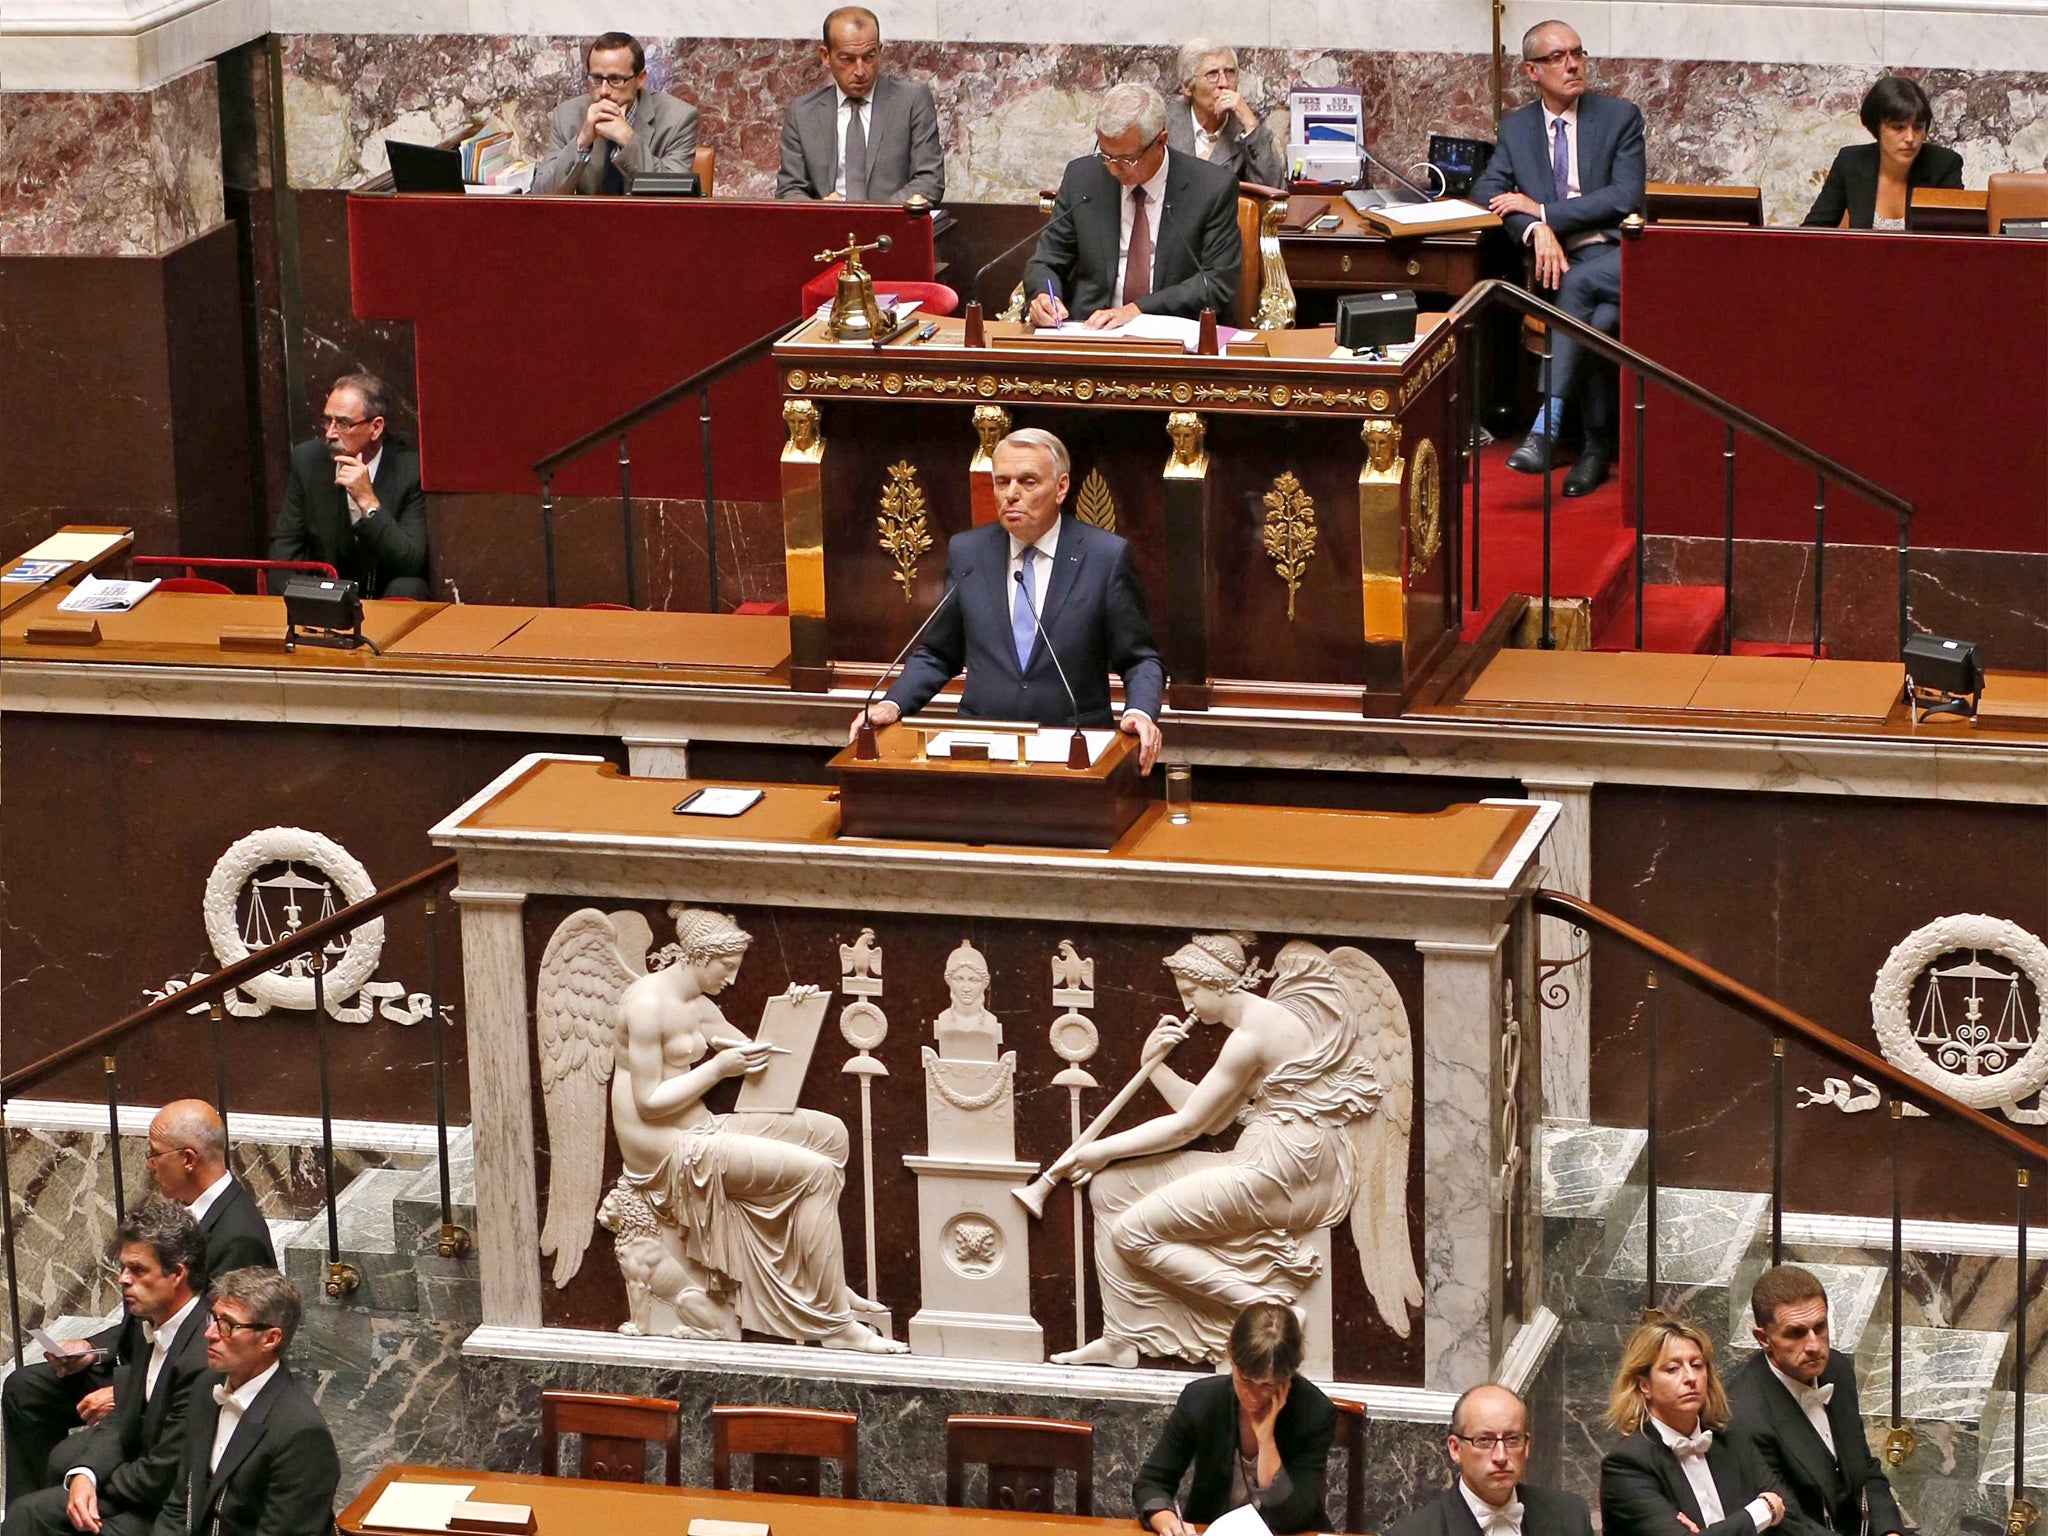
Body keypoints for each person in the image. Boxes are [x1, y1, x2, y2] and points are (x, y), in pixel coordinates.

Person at [1048, 935, 1380, 1368]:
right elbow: (1214, 1117)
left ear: (1219, 983)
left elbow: (1190, 1125)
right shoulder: (1263, 1022)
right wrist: (1156, 1068)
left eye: (1191, 992)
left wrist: (1100, 1150)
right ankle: (1121, 1338)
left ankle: (1268, 1307)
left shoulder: (1251, 1035)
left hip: (1283, 1171)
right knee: (1110, 1188)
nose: (1188, 1006)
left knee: (1133, 1233)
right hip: (1269, 1156)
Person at [608, 908, 904, 1351]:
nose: (732, 979)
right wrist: (717, 1070)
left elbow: (756, 1054)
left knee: (831, 1135)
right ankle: (834, 1324)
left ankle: (816, 1275)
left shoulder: (700, 1006)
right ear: (699, 956)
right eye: (727, 968)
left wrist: (793, 1009)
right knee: (816, 1174)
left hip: (700, 1129)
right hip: (664, 1150)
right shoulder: (647, 1005)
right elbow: (649, 1105)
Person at [3, 1101, 274, 1503]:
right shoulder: (186, 1212)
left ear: (187, 1159)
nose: (148, 1164)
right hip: (142, 1363)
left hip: (177, 1382)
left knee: (66, 1448)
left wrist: (134, 1393)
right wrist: (93, 1350)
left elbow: (221, 1343)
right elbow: (157, 1320)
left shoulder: (239, 1236)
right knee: (25, 1388)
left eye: (153, 1153)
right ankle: (32, 1514)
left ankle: (58, 1512)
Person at [846, 428, 1164, 769]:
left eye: (1028, 482)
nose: (1011, 494)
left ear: (1061, 487)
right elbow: (939, 652)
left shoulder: (1105, 557)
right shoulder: (968, 553)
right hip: (980, 749)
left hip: (1075, 749)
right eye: (1002, 482)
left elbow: (1139, 659)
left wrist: (1140, 712)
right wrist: (893, 704)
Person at [1472, 19, 1645, 498]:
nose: (1572, 65)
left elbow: (1624, 197)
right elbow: (1487, 188)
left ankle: (1547, 429)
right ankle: (1593, 449)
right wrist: (1534, 228)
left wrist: (1546, 209)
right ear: (1531, 70)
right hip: (1567, 269)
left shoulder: (1619, 117)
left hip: (1622, 259)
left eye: (1577, 53)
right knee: (1593, 317)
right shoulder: (1518, 127)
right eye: (1556, 58)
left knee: (1582, 289)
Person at [2, 1201, 210, 1535]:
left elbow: (165, 1474)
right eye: (123, 1267)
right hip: (142, 1478)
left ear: (177, 1274)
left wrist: (94, 1486)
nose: (123, 1280)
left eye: (138, 1270)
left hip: (175, 1508)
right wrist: (86, 1473)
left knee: (34, 1517)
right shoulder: (151, 1327)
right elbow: (124, 1415)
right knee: (28, 1512)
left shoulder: (203, 1354)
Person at [1023, 82, 1242, 328]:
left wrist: (1139, 310)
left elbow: (1216, 280)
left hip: (1173, 335)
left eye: (1127, 159)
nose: (1113, 168)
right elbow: (1048, 259)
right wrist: (1043, 295)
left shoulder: (1211, 187)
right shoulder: (1083, 178)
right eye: (1106, 155)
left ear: (1161, 141)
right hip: (1091, 333)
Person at [153, 1269, 339, 1536]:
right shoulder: (206, 1388)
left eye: (227, 1324)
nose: (209, 1333)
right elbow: (181, 1504)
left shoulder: (301, 1434)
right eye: (213, 1318)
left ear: (270, 1339)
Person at [1131, 1302, 1337, 1535]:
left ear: (1289, 1376)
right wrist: (1165, 1519)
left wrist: (1266, 1441)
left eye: (1267, 1385)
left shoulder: (1314, 1412)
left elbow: (1291, 1519)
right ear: (1230, 1356)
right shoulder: (1201, 1400)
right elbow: (1151, 1483)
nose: (1252, 1396)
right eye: (1245, 1379)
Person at [1728, 1266, 1903, 1536]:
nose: (1814, 1345)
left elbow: (1864, 1467)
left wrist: (1890, 1531)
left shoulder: (1837, 1369)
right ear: (1763, 1339)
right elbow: (1787, 1521)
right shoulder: (1744, 1413)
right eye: (1796, 1333)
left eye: (1819, 1327)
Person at [1601, 1316, 1791, 1536]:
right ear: (1645, 1385)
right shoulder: (1626, 1465)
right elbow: (1772, 1505)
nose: (1691, 1377)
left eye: (1697, 1365)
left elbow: (1784, 1505)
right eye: (1672, 1369)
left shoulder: (1733, 1440)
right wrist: (1762, 1510)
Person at [269, 373, 429, 599]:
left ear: (375, 427)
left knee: (409, 587)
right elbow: (283, 554)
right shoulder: (308, 461)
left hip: (386, 598)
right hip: (327, 598)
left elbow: (412, 562)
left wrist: (368, 503)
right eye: (328, 420)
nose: (329, 433)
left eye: (343, 423)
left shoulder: (409, 470)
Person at [776, 7, 944, 204]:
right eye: (847, 59)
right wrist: (820, 210)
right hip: (828, 228)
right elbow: (790, 188)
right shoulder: (803, 113)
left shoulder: (911, 101)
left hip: (891, 227)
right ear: (825, 56)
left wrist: (870, 216)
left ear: (880, 51)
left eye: (869, 57)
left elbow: (929, 181)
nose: (860, 70)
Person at [1389, 1383, 1594, 1536]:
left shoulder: (1570, 1516)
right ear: (1455, 1448)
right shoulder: (1414, 1533)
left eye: (1512, 1439)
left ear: (1527, 1446)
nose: (1501, 1456)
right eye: (1484, 1440)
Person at [531, 33, 699, 196]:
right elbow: (541, 193)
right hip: (587, 222)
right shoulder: (567, 116)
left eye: (616, 80)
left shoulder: (678, 118)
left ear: (640, 78)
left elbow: (676, 196)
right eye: (597, 78)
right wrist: (581, 143)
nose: (604, 91)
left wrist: (627, 140)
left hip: (648, 222)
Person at [1803, 77, 1962, 230]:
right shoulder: (1850, 162)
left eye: (1918, 127)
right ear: (1877, 127)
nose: (1910, 138)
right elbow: (1813, 231)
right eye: (1898, 127)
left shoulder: (1944, 164)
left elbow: (1955, 239)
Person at [1164, 41, 1284, 189]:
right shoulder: (1165, 126)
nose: (1224, 83)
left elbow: (1274, 194)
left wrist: (1251, 126)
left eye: (1230, 73)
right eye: (1212, 74)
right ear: (1187, 86)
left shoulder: (1247, 135)